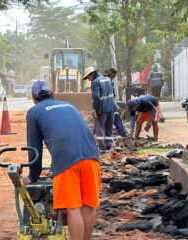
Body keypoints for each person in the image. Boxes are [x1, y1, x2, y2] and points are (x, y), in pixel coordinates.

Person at [23, 81, 101, 240]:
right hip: (92, 156)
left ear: (34, 99)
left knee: (73, 208)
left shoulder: (34, 112)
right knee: (89, 206)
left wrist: (33, 176)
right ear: (53, 94)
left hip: (66, 160)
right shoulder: (68, 105)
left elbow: (34, 149)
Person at [83, 67, 117, 150]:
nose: (88, 79)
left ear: (91, 74)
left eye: (88, 77)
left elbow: (96, 97)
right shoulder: (108, 79)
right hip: (112, 107)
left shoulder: (95, 82)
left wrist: (94, 109)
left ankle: (102, 147)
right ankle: (108, 145)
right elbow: (114, 94)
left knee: (100, 127)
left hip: (102, 109)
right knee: (109, 127)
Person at [104, 67, 127, 137]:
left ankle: (104, 138)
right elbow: (110, 96)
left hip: (104, 105)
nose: (113, 77)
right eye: (113, 76)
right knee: (116, 118)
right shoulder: (108, 81)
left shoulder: (102, 79)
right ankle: (123, 135)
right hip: (108, 105)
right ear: (111, 73)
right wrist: (116, 107)